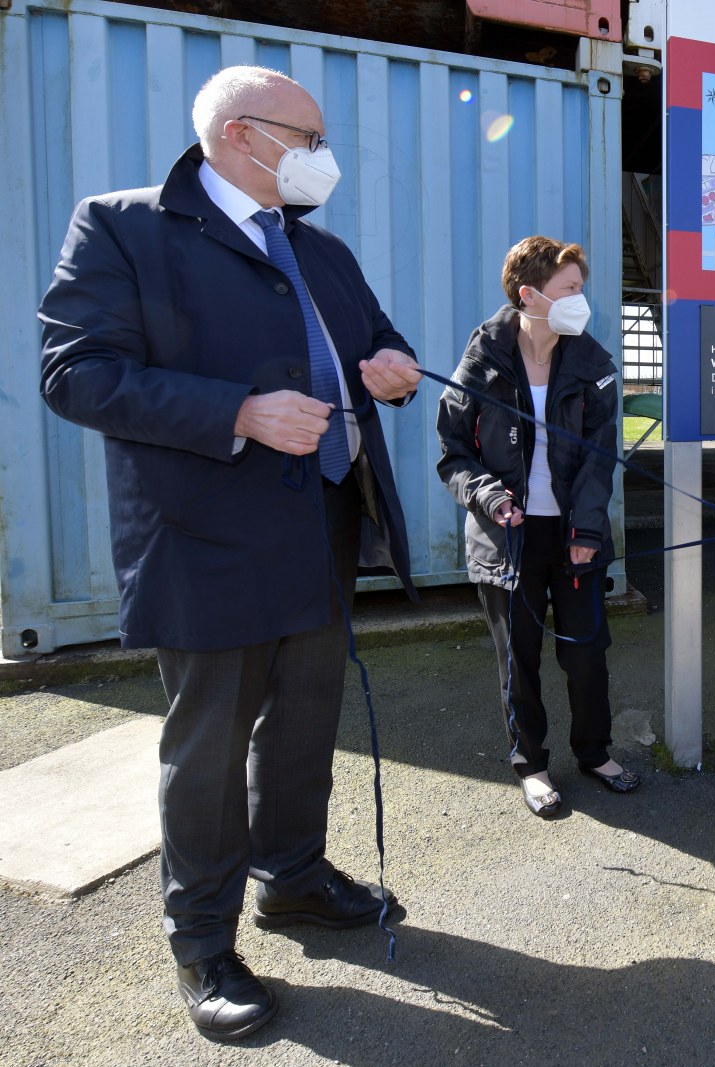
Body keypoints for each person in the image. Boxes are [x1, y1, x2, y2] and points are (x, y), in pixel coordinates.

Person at [38, 66, 421, 1040]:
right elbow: (76, 373)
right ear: (242, 134)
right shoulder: (123, 228)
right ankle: (203, 943)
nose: (324, 157)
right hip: (204, 538)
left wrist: (394, 368)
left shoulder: (320, 247)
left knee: (304, 722)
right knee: (206, 749)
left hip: (323, 523)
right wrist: (238, 412)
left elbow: (376, 338)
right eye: (310, 138)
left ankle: (291, 877)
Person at [437, 236, 636, 819]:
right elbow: (453, 454)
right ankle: (532, 765)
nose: (581, 299)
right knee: (518, 660)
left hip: (576, 539)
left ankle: (595, 753)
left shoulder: (594, 365)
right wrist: (490, 496)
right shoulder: (482, 363)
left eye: (581, 287)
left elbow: (600, 460)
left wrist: (588, 532)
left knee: (586, 654)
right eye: (569, 288)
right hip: (509, 539)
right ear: (529, 295)